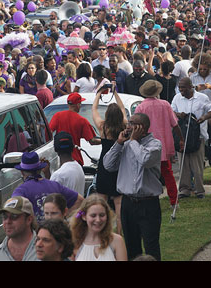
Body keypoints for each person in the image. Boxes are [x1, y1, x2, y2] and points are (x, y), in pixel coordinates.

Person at [102, 112, 163, 261]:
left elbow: (145, 160)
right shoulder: (125, 144)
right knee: (131, 245)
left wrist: (133, 141)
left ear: (142, 127)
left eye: (132, 124)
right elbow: (108, 165)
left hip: (148, 203)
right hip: (128, 203)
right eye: (128, 123)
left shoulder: (155, 144)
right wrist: (118, 143)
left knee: (151, 246)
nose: (128, 126)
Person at [134, 79, 182, 209]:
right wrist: (181, 138)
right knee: (167, 173)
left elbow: (136, 126)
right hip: (163, 145)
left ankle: (147, 198)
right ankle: (174, 201)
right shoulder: (165, 104)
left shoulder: (141, 106)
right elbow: (175, 124)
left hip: (146, 146)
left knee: (147, 174)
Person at [171, 77, 211, 200]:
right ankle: (185, 189)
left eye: (183, 87)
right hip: (181, 135)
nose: (181, 90)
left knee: (196, 165)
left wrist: (204, 117)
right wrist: (179, 114)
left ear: (191, 87)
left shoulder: (202, 98)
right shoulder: (177, 98)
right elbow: (171, 111)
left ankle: (199, 190)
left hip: (197, 136)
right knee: (183, 164)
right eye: (179, 87)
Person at [92, 86, 127, 234]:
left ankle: (99, 232)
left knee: (101, 201)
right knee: (119, 203)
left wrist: (99, 93)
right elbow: (123, 108)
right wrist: (115, 93)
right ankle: (119, 235)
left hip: (105, 165)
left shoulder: (102, 127)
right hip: (119, 165)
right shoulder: (124, 125)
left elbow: (94, 110)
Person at [11, 151, 83, 223]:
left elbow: (12, 212)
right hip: (56, 231)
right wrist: (64, 219)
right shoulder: (55, 185)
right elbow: (80, 200)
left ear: (22, 172)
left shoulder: (20, 191)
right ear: (40, 169)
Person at [49, 92, 101, 166]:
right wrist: (105, 140)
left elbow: (48, 133)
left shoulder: (57, 116)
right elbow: (92, 141)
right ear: (77, 105)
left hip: (60, 159)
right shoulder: (82, 120)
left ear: (68, 104)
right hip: (75, 160)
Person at [70, 194, 127, 261]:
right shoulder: (75, 242)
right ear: (84, 216)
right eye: (93, 215)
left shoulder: (117, 241)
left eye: (102, 215)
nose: (98, 220)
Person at [0, 196, 38, 261]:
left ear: (29, 220)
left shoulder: (46, 249)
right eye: (5, 217)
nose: (8, 221)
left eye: (14, 216)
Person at [50, 131, 86, 196]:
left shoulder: (58, 175)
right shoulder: (78, 167)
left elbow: (51, 200)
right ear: (72, 148)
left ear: (55, 149)